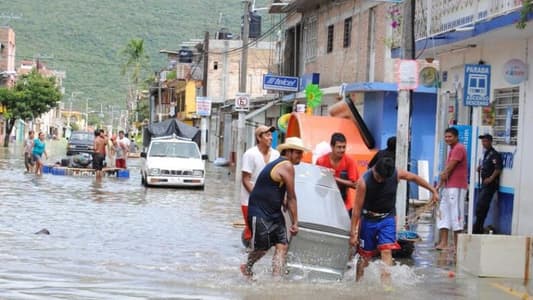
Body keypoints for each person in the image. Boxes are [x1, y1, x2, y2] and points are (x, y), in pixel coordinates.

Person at [349, 157, 438, 284]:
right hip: (368, 220)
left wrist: (432, 190)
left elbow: (414, 178)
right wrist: (353, 233)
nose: (380, 180)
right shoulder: (364, 182)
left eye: (383, 179)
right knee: (365, 257)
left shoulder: (396, 174)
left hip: (387, 219)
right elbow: (356, 210)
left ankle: (387, 288)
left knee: (386, 251)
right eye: (378, 177)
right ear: (374, 169)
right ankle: (357, 285)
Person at [240, 137, 309, 279]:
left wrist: (281, 199)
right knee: (262, 249)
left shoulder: (279, 164)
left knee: (282, 245)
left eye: (301, 153)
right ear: (288, 152)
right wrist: (295, 222)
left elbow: (272, 186)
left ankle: (276, 279)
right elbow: (292, 197)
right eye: (298, 153)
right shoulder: (287, 165)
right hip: (260, 212)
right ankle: (247, 267)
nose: (301, 156)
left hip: (275, 213)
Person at [240, 125, 280, 244]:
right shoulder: (250, 154)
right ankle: (247, 250)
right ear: (259, 137)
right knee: (253, 230)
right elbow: (245, 179)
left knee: (266, 229)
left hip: (269, 200)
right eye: (267, 135)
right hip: (249, 199)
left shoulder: (276, 155)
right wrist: (257, 196)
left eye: (271, 135)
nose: (271, 138)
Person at [435, 127, 468, 250]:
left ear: (456, 137)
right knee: (443, 213)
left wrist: (439, 183)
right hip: (448, 186)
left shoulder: (459, 148)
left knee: (456, 215)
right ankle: (443, 243)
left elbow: (449, 168)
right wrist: (439, 186)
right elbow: (446, 171)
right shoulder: (452, 149)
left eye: (450, 136)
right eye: (446, 136)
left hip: (457, 187)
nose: (447, 139)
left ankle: (457, 245)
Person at [316, 132, 359, 216]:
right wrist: (326, 176)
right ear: (332, 147)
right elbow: (316, 183)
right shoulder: (321, 161)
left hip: (344, 205)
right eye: (339, 147)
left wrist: (334, 178)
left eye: (344, 147)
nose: (342, 150)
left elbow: (355, 185)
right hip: (325, 204)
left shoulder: (350, 161)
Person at [473, 134, 502, 234]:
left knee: (482, 206)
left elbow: (498, 169)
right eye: (482, 141)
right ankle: (477, 227)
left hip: (490, 185)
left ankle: (478, 228)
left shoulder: (494, 154)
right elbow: (487, 165)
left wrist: (490, 178)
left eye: (485, 141)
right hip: (484, 184)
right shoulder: (486, 154)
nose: (483, 143)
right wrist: (480, 168)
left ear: (490, 141)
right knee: (479, 207)